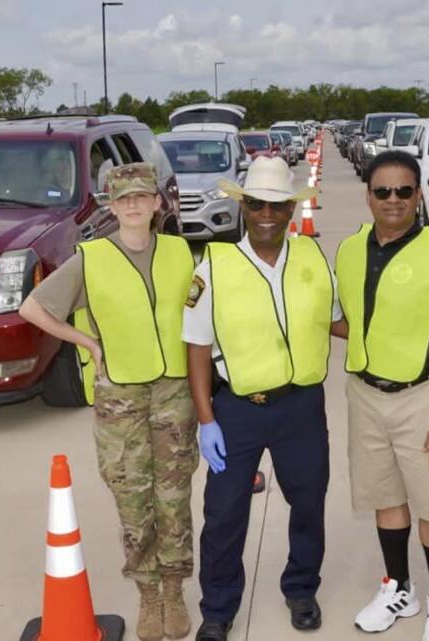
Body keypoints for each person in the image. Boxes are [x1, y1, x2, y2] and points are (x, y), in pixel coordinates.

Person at [19, 162, 197, 641]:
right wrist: (88, 343)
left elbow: (203, 313)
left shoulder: (182, 252)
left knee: (174, 498)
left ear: (159, 202)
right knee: (133, 499)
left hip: (174, 392)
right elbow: (33, 308)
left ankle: (176, 588)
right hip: (120, 397)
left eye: (143, 196)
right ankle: (148, 593)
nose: (134, 205)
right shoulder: (90, 258)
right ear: (111, 207)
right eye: (123, 199)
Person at [184, 156, 346, 641]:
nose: (267, 214)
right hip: (238, 410)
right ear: (244, 207)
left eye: (277, 204)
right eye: (257, 204)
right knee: (225, 513)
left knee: (309, 502)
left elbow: (338, 321)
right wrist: (205, 418)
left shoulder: (313, 258)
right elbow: (195, 349)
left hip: (301, 406)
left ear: (291, 210)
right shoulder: (213, 267)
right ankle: (217, 609)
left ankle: (300, 587)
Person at [335, 150, 429, 641]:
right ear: (368, 195)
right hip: (366, 394)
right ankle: (398, 587)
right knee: (385, 498)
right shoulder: (350, 250)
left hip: (422, 396)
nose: (393, 200)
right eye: (382, 191)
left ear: (419, 195)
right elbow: (350, 321)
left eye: (403, 191)